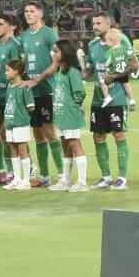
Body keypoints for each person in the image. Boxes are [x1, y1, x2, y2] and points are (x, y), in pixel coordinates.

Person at [16, 1, 61, 188]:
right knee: (37, 134)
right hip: (31, 92)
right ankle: (43, 175)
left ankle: (62, 173)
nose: (28, 14)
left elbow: (56, 62)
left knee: (50, 132)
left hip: (47, 90)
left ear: (41, 13)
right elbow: (23, 62)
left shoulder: (50, 34)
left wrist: (39, 79)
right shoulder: (24, 36)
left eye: (32, 11)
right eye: (26, 11)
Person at [91, 24, 137, 191]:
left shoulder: (122, 44)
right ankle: (105, 176)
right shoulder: (92, 45)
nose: (94, 26)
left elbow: (133, 67)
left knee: (119, 135)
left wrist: (113, 77)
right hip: (97, 100)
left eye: (98, 23)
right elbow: (91, 69)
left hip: (117, 100)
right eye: (93, 23)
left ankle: (122, 177)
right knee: (98, 136)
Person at [0, 12, 23, 184]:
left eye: (1, 24)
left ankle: (19, 170)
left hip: (10, 96)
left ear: (10, 26)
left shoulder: (14, 45)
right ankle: (1, 171)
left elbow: (17, 70)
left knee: (9, 135)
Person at [50, 39, 89, 192]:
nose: (54, 53)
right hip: (60, 114)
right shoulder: (60, 70)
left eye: (56, 51)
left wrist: (74, 107)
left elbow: (80, 92)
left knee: (74, 144)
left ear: (65, 53)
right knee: (65, 146)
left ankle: (82, 182)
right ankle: (66, 180)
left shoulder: (72, 71)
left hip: (70, 114)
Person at [0, 59, 35, 190]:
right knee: (12, 150)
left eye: (8, 70)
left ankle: (26, 181)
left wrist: (22, 117)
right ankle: (17, 178)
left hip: (20, 123)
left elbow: (31, 107)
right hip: (9, 123)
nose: (6, 72)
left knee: (22, 149)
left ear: (16, 71)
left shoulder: (24, 87)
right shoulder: (10, 86)